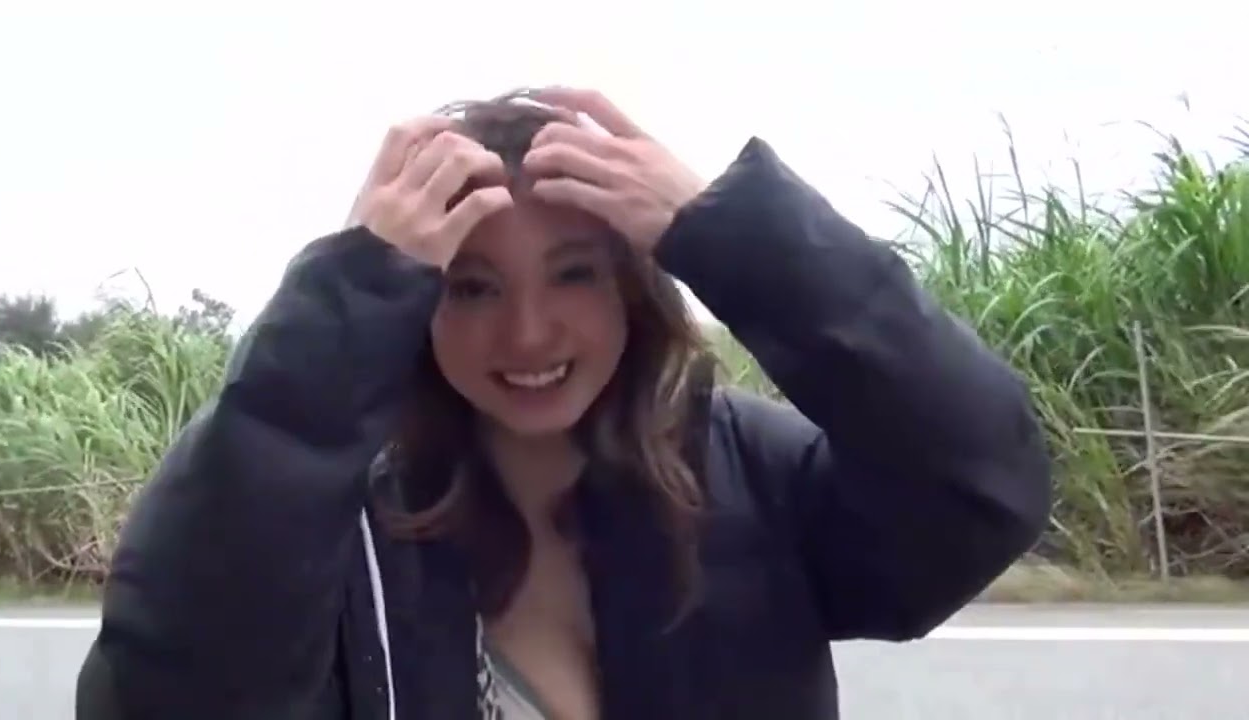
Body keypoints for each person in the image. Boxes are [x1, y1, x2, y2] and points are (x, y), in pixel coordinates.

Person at [74, 86, 1051, 720]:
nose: (529, 334)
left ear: (631, 286)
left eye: (574, 273)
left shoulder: (754, 475)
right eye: (473, 287)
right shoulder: (342, 531)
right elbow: (171, 691)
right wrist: (337, 314)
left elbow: (977, 489)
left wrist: (739, 235)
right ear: (415, 304)